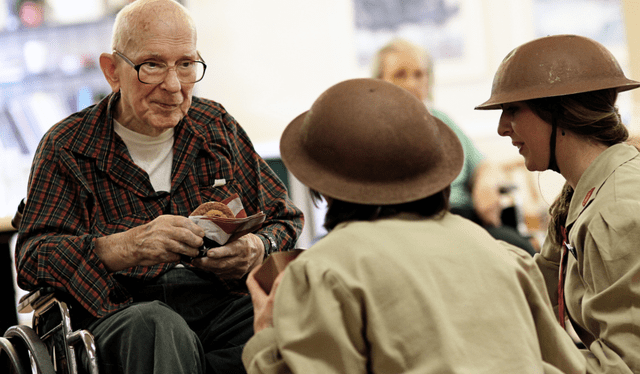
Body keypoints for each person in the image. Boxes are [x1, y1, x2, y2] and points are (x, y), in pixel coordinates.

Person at [14, 1, 303, 373]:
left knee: (294, 306)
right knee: (158, 328)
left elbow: (285, 218)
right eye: (152, 65)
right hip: (123, 312)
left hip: (218, 303)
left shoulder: (214, 126)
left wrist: (256, 246)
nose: (173, 85)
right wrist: (125, 247)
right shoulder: (69, 146)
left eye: (185, 65)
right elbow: (34, 257)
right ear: (112, 70)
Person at [241, 78, 585, 373]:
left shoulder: (324, 272)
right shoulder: (504, 256)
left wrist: (267, 336)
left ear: (321, 181)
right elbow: (566, 365)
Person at [476, 34, 640, 373]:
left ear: (560, 112)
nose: (502, 128)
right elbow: (543, 287)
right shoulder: (581, 192)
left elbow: (627, 366)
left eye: (513, 110)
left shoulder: (617, 210)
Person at [372, 38, 537, 255]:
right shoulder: (374, 131)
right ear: (380, 82)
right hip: (423, 224)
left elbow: (481, 164)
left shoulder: (441, 120)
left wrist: (485, 183)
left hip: (467, 215)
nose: (412, 83)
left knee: (520, 250)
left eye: (419, 74)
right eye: (400, 75)